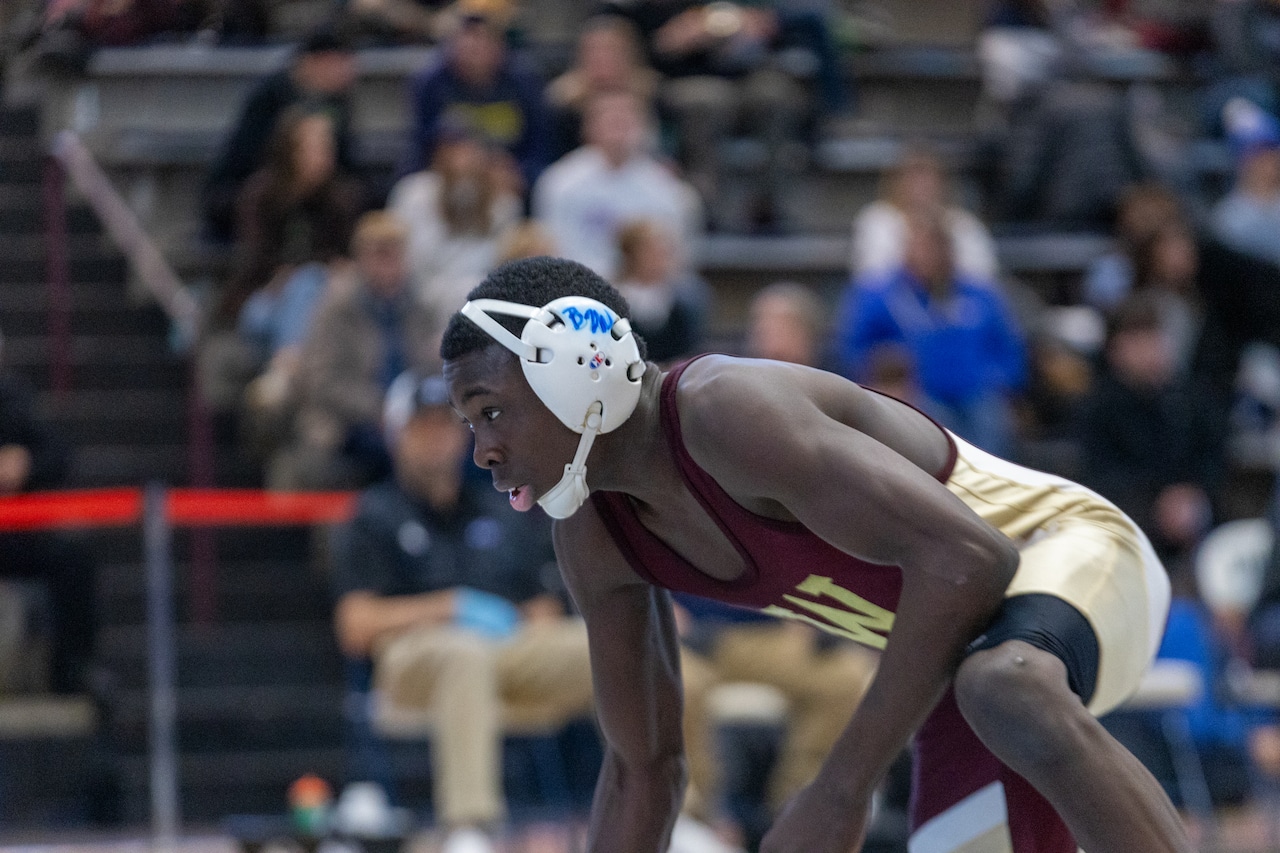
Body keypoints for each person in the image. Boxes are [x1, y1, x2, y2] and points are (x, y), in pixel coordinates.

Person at [439, 255, 1190, 853]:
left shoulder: (724, 412)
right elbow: (643, 771)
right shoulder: (594, 535)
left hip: (1072, 553)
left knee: (1009, 683)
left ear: (575, 365)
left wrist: (840, 791)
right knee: (993, 685)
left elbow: (972, 558)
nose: (484, 450)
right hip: (965, 672)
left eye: (491, 411)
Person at [333, 371, 593, 853]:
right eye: (422, 427)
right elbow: (356, 625)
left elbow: (542, 603)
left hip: (507, 653)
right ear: (396, 435)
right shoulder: (373, 515)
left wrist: (531, 623)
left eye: (445, 427)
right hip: (413, 660)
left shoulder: (499, 510)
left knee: (616, 645)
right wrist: (449, 607)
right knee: (464, 655)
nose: (436, 440)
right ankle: (469, 829)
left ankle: (678, 813)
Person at [835, 212, 1028, 457]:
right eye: (920, 246)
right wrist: (883, 374)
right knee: (928, 424)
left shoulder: (980, 295)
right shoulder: (879, 296)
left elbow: (1009, 350)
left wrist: (996, 381)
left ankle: (991, 489)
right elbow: (855, 349)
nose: (927, 255)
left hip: (978, 393)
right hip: (917, 393)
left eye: (935, 246)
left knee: (990, 418)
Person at [271, 211, 439, 490]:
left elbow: (433, 366)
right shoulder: (336, 307)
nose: (387, 265)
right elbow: (322, 381)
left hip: (412, 422)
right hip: (346, 425)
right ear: (361, 259)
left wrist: (410, 409)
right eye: (379, 255)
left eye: (394, 254)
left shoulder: (421, 306)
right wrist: (380, 409)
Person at [0, 331, 96, 695]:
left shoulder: (12, 397)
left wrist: (26, 465)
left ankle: (73, 672)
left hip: (13, 532)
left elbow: (58, 453)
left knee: (71, 556)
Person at [201, 25, 358, 243]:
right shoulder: (269, 97)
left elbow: (346, 160)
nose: (347, 72)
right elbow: (248, 155)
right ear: (314, 61)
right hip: (266, 187)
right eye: (339, 63)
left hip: (314, 192)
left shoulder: (339, 102)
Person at [532, 88, 702, 280]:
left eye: (625, 120)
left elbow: (677, 254)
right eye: (609, 120)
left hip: (645, 288)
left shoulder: (666, 188)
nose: (617, 130)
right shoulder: (559, 182)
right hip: (576, 284)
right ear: (589, 127)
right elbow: (549, 247)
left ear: (643, 126)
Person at [398, 0, 549, 195]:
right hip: (446, 178)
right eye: (466, 42)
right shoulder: (430, 82)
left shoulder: (523, 81)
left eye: (482, 41)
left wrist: (521, 173)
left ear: (499, 47)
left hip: (508, 179)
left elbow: (540, 148)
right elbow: (419, 146)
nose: (473, 50)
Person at [387, 122, 521, 319]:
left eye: (469, 150)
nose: (461, 159)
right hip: (417, 300)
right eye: (453, 150)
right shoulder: (413, 193)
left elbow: (505, 263)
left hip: (485, 304)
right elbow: (402, 253)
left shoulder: (504, 203)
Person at [851, 145, 1000, 283]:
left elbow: (983, 280)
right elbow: (871, 278)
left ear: (942, 181)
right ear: (896, 181)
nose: (921, 185)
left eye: (927, 176)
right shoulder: (877, 219)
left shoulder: (964, 224)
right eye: (913, 176)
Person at [544, 15, 660, 160]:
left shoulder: (652, 95)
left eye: (610, 50)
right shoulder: (562, 105)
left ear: (628, 54)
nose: (602, 58)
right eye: (594, 51)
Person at [612, 219, 710, 364]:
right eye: (652, 251)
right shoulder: (613, 301)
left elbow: (689, 350)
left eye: (665, 252)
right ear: (633, 255)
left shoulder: (683, 302)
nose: (661, 259)